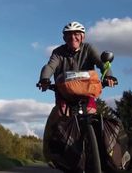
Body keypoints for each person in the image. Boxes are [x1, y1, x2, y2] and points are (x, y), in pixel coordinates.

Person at [37, 21, 117, 163]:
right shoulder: (58, 52)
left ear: (83, 37)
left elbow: (101, 63)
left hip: (86, 95)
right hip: (64, 96)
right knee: (55, 122)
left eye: (76, 34)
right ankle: (52, 156)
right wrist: (44, 79)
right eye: (68, 35)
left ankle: (103, 157)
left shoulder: (88, 49)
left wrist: (109, 75)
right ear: (64, 38)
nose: (73, 37)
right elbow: (50, 66)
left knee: (98, 124)